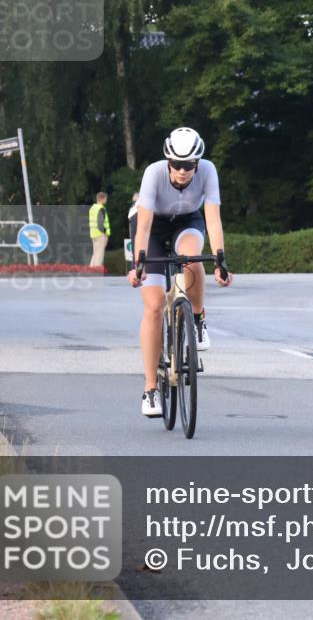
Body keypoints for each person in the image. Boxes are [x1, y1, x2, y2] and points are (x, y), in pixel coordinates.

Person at [127, 127, 232, 417]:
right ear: (167, 161)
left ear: (197, 163)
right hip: (152, 227)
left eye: (188, 165)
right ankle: (150, 390)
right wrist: (138, 264)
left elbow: (213, 217)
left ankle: (197, 320)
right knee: (154, 306)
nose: (182, 171)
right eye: (176, 164)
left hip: (187, 221)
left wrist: (220, 260)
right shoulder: (154, 173)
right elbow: (144, 224)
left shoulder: (208, 171)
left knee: (191, 258)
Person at [88, 192, 110, 267]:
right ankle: (96, 271)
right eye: (106, 198)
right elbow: (100, 222)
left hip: (93, 233)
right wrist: (105, 232)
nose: (106, 200)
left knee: (95, 253)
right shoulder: (101, 208)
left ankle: (91, 270)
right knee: (100, 254)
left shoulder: (92, 208)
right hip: (101, 234)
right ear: (102, 199)